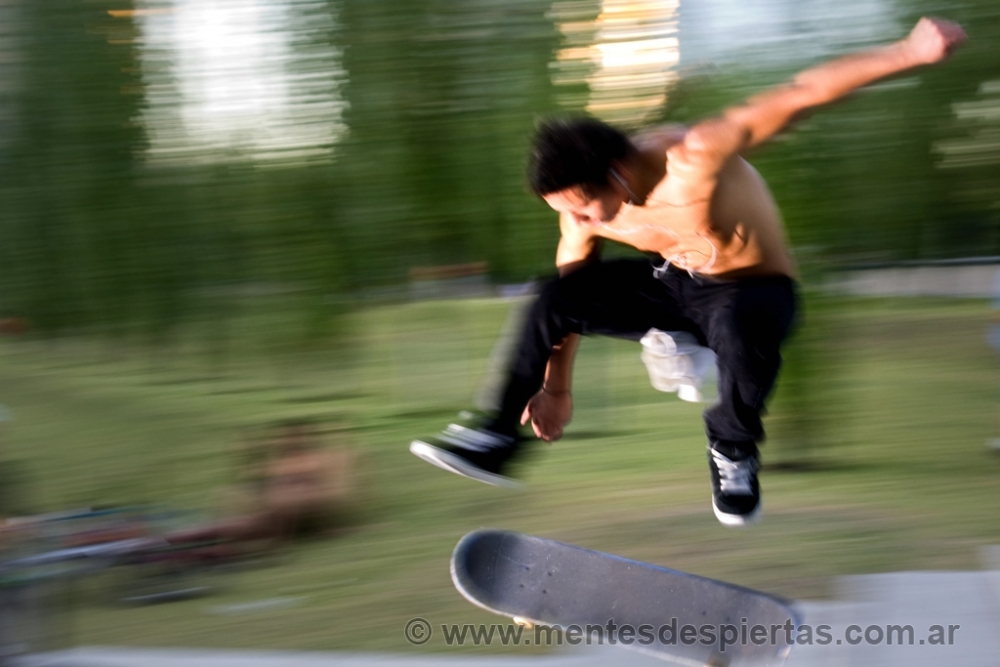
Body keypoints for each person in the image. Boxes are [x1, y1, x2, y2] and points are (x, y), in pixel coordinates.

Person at [411, 18, 967, 526]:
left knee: (743, 325)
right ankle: (495, 435)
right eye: (564, 214)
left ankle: (732, 446)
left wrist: (909, 52)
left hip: (754, 291)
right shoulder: (579, 218)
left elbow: (803, 95)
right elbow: (568, 307)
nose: (578, 222)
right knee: (552, 292)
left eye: (584, 208)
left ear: (618, 171)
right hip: (673, 287)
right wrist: (556, 389)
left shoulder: (695, 155)